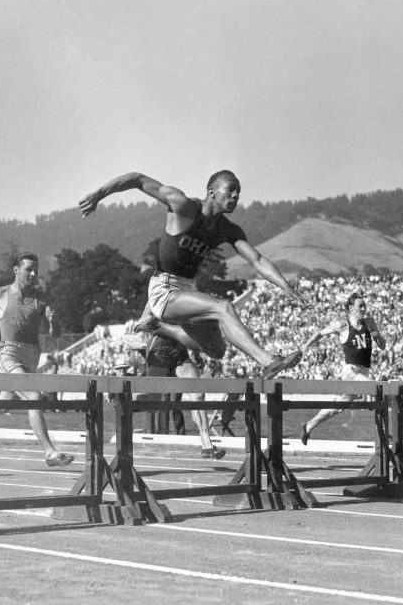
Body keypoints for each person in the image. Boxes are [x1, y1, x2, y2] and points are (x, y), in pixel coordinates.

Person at [78, 170, 307, 379]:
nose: (236, 196)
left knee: (217, 350)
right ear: (212, 192)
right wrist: (99, 194)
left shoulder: (228, 229)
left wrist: (284, 285)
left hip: (188, 290)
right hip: (164, 290)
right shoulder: (183, 205)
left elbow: (256, 260)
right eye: (231, 190)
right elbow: (138, 179)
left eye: (238, 192)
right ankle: (268, 362)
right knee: (223, 307)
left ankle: (159, 327)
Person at [0, 253, 74, 467]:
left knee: (5, 401)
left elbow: (56, 334)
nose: (33, 274)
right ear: (16, 270)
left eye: (36, 270)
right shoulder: (1, 293)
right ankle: (49, 452)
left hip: (31, 356)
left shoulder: (41, 300)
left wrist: (53, 321)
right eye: (28, 269)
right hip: (9, 352)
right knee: (33, 396)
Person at [299, 292, 386, 445]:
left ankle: (308, 426)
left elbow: (382, 345)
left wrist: (377, 336)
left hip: (364, 370)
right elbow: (320, 333)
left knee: (338, 407)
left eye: (364, 305)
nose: (364, 308)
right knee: (377, 388)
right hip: (350, 372)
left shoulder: (369, 323)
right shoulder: (342, 325)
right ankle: (384, 432)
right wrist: (305, 346)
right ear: (351, 308)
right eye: (360, 306)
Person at [143, 323, 225, 459]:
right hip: (159, 350)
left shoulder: (193, 308)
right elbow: (145, 319)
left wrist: (197, 354)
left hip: (179, 353)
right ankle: (121, 394)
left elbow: (189, 331)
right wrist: (144, 323)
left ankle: (207, 445)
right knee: (150, 405)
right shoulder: (161, 303)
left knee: (197, 392)